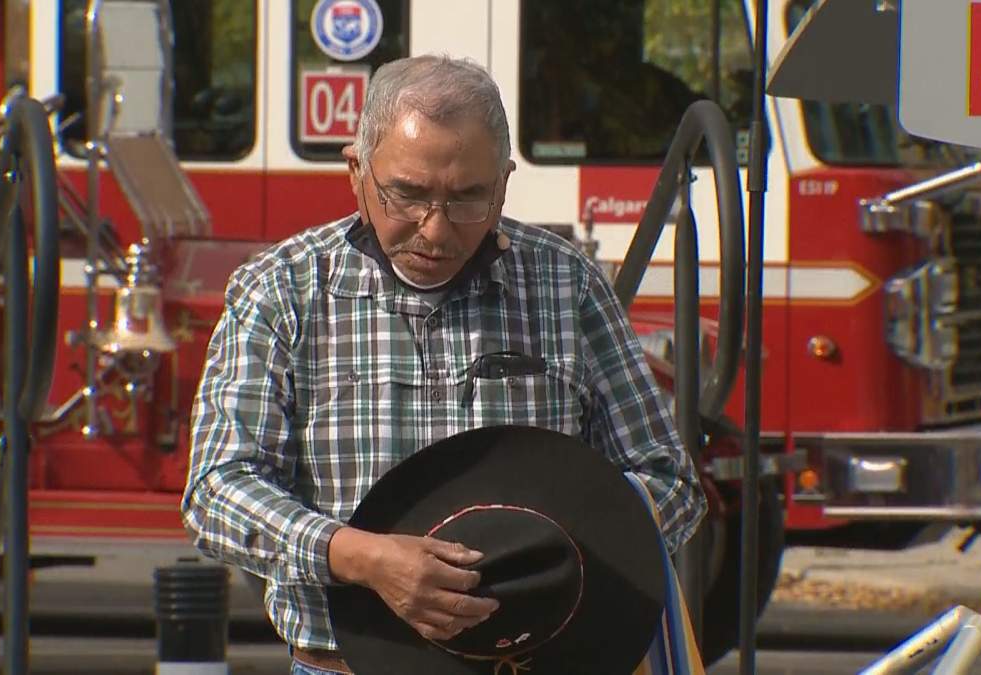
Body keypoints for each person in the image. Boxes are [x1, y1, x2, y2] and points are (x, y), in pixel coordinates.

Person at [182, 54, 706, 675]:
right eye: (406, 195)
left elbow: (668, 482)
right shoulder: (282, 290)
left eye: (467, 199)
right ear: (356, 171)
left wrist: (548, 548)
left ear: (505, 183)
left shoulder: (568, 286)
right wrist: (361, 558)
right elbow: (217, 491)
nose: (435, 230)